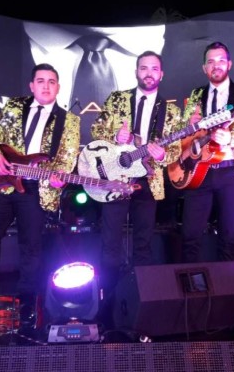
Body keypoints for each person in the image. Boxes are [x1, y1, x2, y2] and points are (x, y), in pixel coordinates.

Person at [0, 63, 80, 326]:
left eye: (51, 82)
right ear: (32, 85)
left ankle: (26, 301)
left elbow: (67, 157)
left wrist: (59, 177)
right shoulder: (14, 106)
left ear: (58, 87)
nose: (46, 86)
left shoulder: (69, 120)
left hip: (35, 188)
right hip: (1, 181)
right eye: (41, 81)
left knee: (31, 246)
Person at [89, 51, 182, 291]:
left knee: (144, 242)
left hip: (148, 180)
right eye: (144, 68)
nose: (148, 73)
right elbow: (96, 131)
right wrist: (114, 136)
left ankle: (141, 295)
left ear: (161, 74)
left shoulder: (171, 111)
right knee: (110, 240)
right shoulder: (117, 99)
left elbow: (175, 150)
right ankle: (108, 294)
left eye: (154, 68)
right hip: (115, 177)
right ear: (136, 72)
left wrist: (162, 155)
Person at [180, 41, 234, 263]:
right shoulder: (196, 94)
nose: (217, 65)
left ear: (229, 64)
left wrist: (231, 139)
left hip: (230, 172)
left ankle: (228, 284)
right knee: (190, 236)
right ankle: (191, 282)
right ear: (204, 68)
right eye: (211, 61)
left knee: (228, 238)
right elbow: (183, 136)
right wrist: (189, 125)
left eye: (221, 60)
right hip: (199, 173)